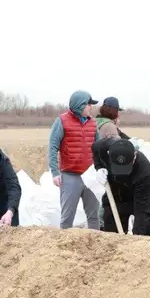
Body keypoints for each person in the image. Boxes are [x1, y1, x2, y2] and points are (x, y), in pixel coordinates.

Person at [48, 90, 101, 230]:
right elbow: (53, 147)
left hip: (90, 176)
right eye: (89, 104)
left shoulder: (93, 124)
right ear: (80, 105)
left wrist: (101, 169)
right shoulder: (62, 121)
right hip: (70, 176)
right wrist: (54, 172)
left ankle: (95, 246)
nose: (91, 107)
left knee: (94, 215)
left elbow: (99, 148)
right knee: (67, 217)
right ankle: (64, 249)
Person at [92, 137, 150, 236]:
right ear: (108, 154)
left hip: (141, 196)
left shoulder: (143, 168)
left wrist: (137, 239)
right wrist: (99, 167)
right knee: (111, 235)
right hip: (116, 194)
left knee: (148, 233)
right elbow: (95, 152)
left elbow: (142, 209)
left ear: (135, 156)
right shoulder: (101, 147)